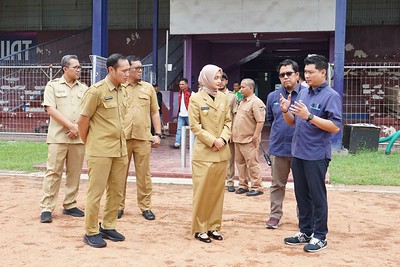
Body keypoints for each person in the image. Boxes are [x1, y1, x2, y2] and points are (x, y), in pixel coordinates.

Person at [280, 55, 341, 253]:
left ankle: (320, 235)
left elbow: (335, 127)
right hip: (298, 152)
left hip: (316, 154)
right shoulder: (304, 93)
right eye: (305, 72)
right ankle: (305, 231)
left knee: (317, 197)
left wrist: (310, 116)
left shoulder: (331, 96)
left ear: (323, 72)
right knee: (301, 196)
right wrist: (285, 111)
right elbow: (292, 122)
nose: (306, 75)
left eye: (310, 72)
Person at [77, 53, 130, 248]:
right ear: (111, 70)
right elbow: (82, 121)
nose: (127, 74)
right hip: (100, 150)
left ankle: (108, 225)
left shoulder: (122, 90)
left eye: (128, 70)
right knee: (96, 192)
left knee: (117, 192)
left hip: (120, 150)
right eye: (124, 71)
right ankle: (90, 231)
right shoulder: (95, 91)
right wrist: (89, 143)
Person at [39, 55, 87, 223]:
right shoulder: (52, 86)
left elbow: (87, 112)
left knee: (74, 173)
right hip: (58, 137)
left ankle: (70, 204)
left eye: (80, 67)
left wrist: (77, 128)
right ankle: (46, 207)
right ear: (65, 69)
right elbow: (51, 110)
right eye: (76, 67)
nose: (79, 70)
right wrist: (71, 127)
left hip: (78, 138)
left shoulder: (84, 89)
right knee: (53, 172)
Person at [189, 64, 231, 243]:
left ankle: (214, 226)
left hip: (221, 153)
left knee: (217, 192)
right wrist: (212, 140)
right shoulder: (196, 99)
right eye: (215, 77)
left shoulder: (224, 98)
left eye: (220, 77)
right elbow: (195, 126)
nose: (219, 81)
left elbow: (229, 122)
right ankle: (200, 228)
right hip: (204, 154)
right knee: (202, 192)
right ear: (206, 78)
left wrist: (222, 139)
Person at [118, 55, 162, 221]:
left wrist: (157, 134)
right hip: (123, 138)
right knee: (119, 174)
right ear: (127, 70)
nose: (140, 71)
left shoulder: (148, 88)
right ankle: (118, 206)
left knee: (144, 175)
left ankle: (145, 206)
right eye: (136, 68)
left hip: (143, 137)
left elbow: (154, 111)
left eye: (141, 68)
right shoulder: (119, 87)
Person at [265, 59, 306, 229]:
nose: (285, 77)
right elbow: (270, 119)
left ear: (297, 75)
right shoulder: (273, 96)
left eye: (289, 74)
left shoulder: (306, 95)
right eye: (282, 75)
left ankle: (303, 217)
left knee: (302, 187)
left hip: (300, 149)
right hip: (278, 148)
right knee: (276, 184)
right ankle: (275, 215)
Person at [232, 78, 266, 197]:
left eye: (243, 87)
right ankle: (243, 185)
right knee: (240, 163)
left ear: (251, 88)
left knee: (252, 163)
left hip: (249, 139)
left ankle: (257, 186)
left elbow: (260, 121)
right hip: (238, 138)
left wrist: (256, 136)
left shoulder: (256, 102)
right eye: (240, 87)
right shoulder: (242, 101)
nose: (241, 89)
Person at [218, 72, 237, 192]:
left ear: (226, 81)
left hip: (228, 130)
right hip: (214, 132)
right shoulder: (212, 95)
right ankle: (218, 182)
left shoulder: (232, 96)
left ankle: (230, 181)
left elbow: (235, 114)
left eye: (223, 79)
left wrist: (232, 131)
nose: (220, 82)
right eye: (218, 79)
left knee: (229, 158)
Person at [170, 78, 191, 149]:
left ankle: (192, 145)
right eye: (180, 84)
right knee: (179, 129)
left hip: (189, 115)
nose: (181, 86)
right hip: (181, 115)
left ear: (186, 84)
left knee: (193, 130)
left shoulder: (191, 93)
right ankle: (177, 143)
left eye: (182, 84)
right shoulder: (179, 93)